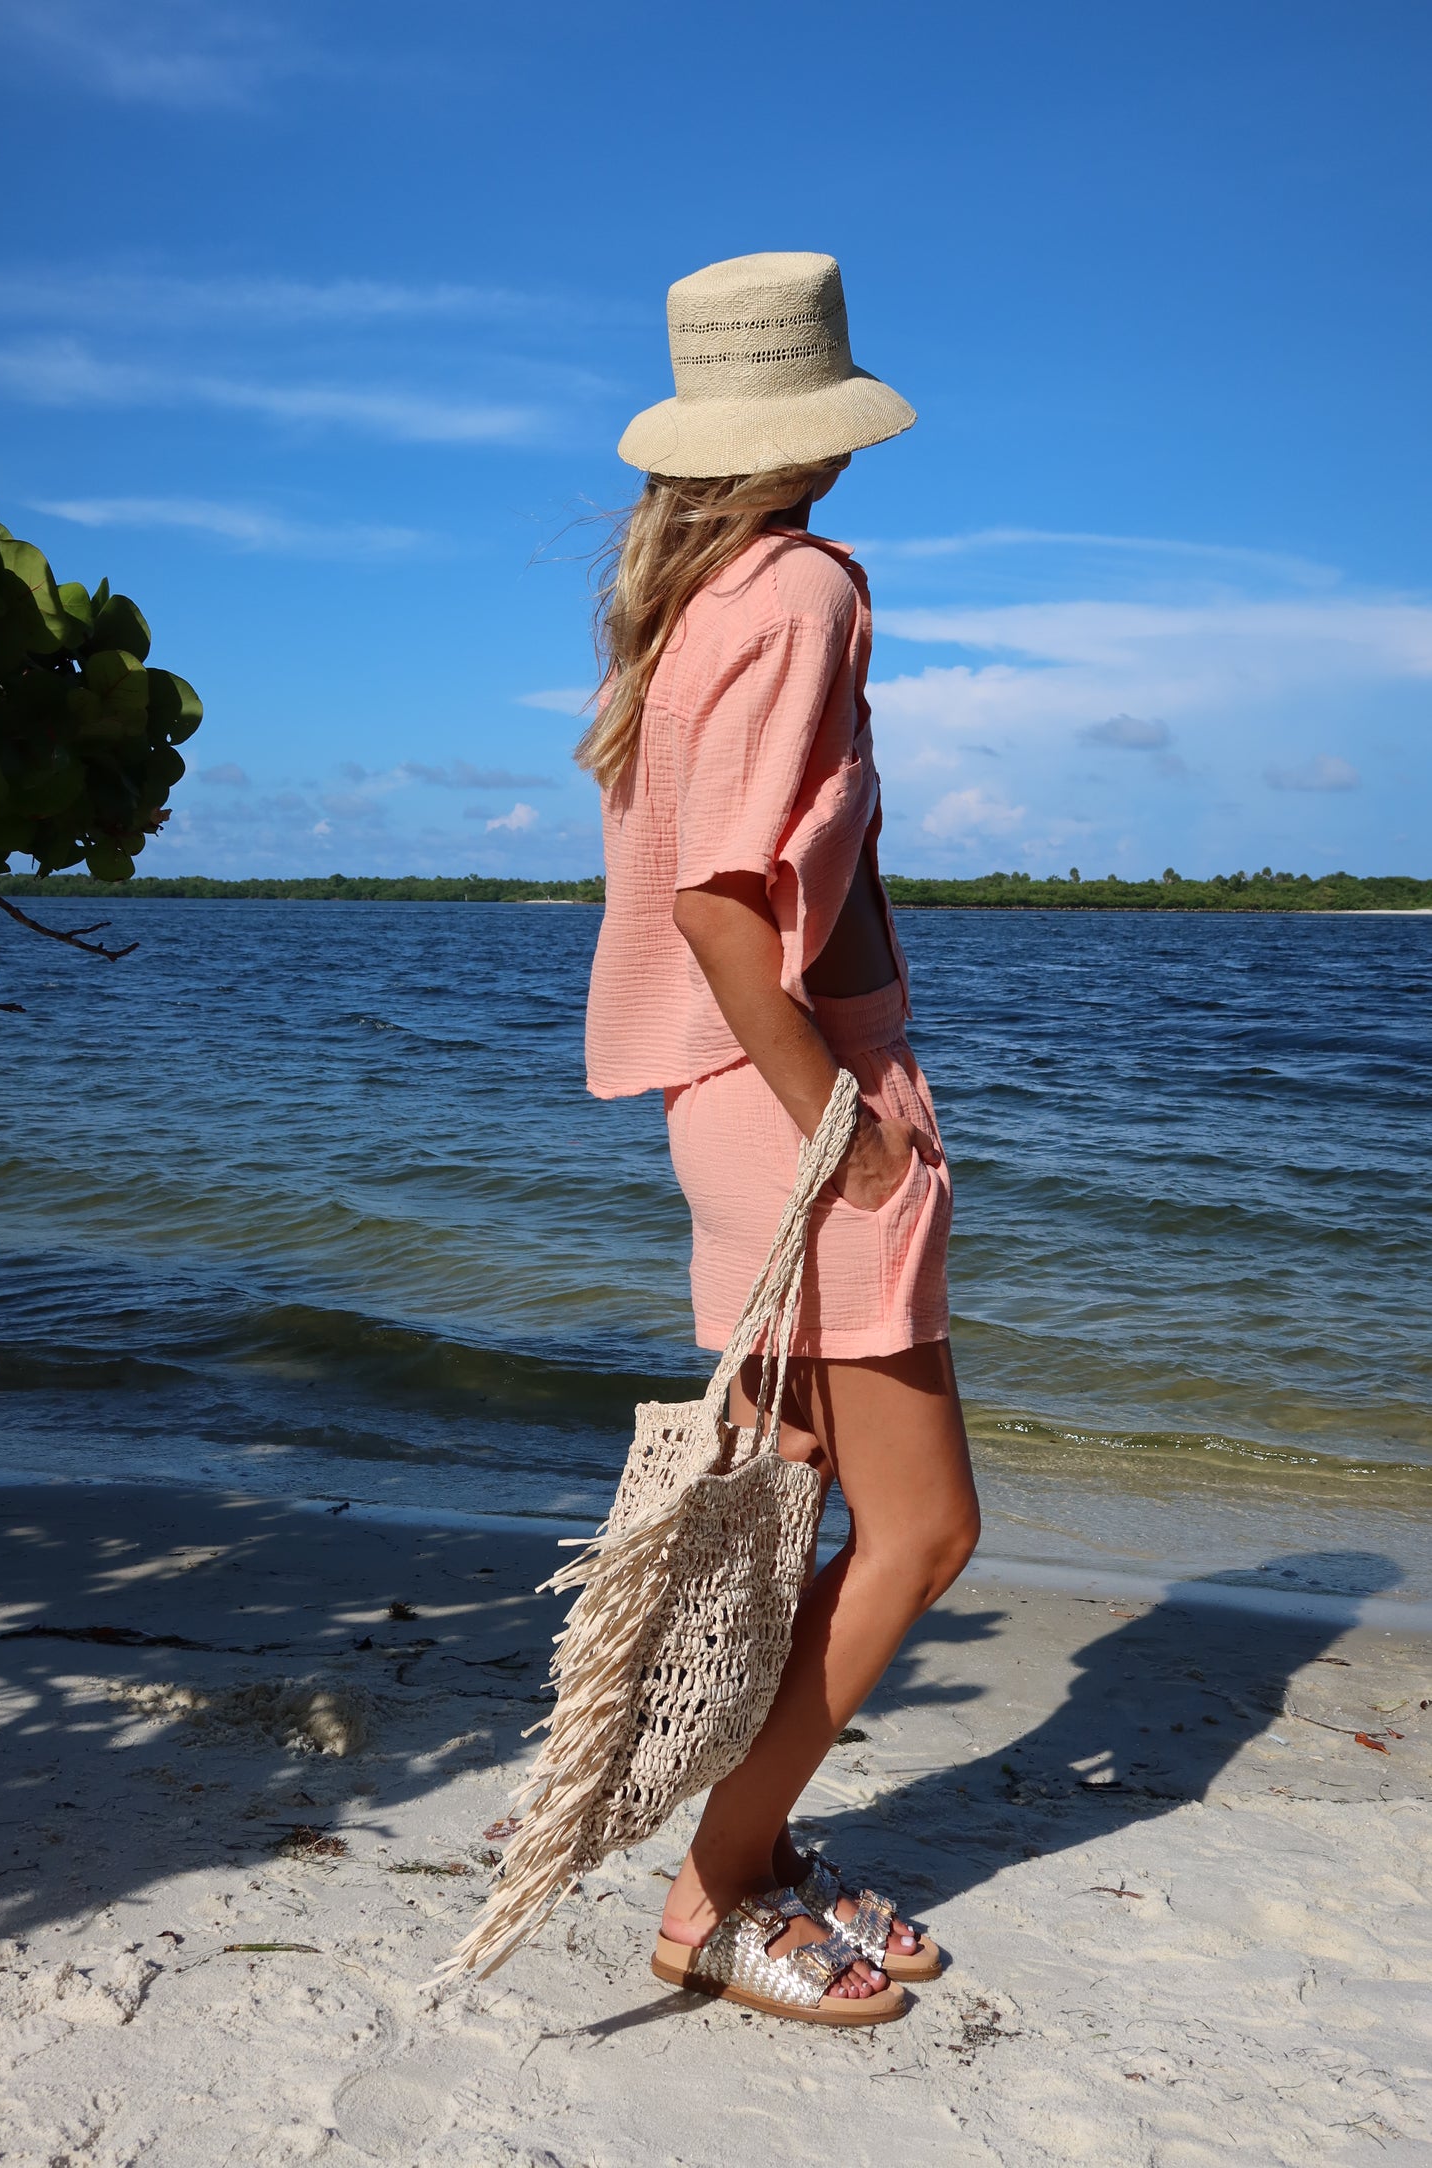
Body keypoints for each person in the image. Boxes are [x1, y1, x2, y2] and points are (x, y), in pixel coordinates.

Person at [580, 252, 981, 2027]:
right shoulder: (803, 589)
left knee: (799, 1514)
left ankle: (743, 1852)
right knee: (923, 1533)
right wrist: (857, 1138)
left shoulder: (698, 603)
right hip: (798, 1093)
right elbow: (728, 910)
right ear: (816, 427)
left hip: (730, 1099)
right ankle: (709, 1891)